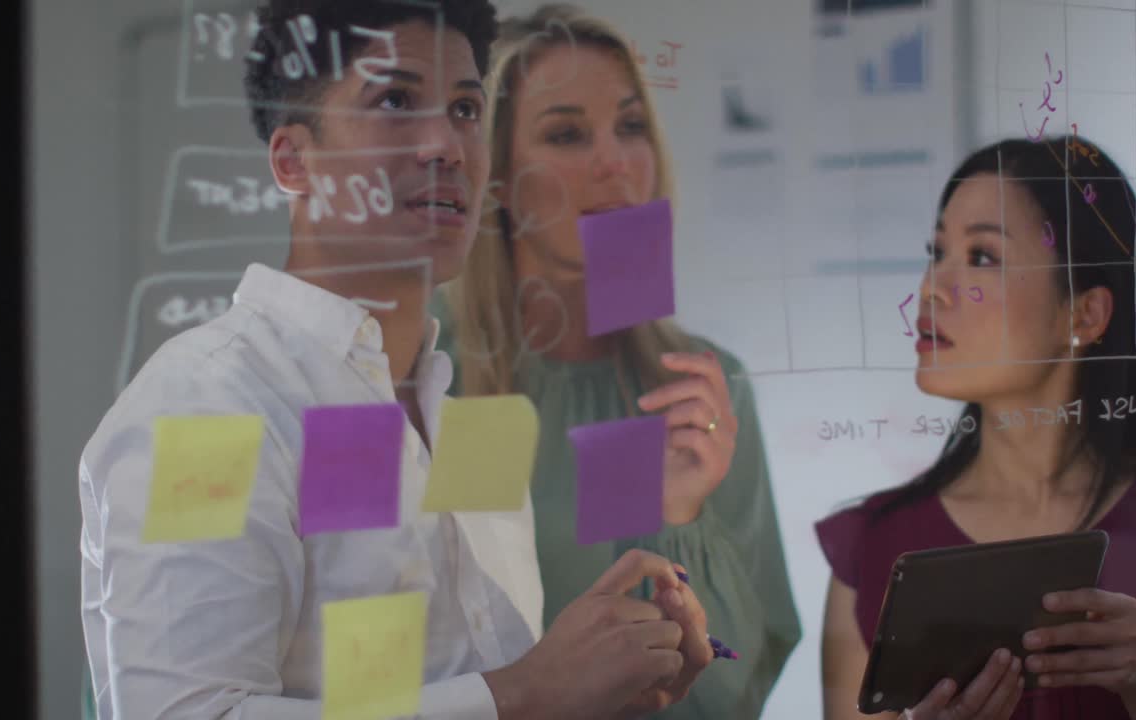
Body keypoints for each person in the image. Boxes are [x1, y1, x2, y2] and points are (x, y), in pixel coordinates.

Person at [77, 1, 715, 718]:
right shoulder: (209, 407)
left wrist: (600, 697)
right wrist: (525, 694)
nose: (445, 143)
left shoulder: (472, 423)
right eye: (395, 101)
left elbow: (470, 690)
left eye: (467, 109)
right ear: (294, 161)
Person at [430, 4, 801, 717]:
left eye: (631, 127)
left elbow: (733, 686)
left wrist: (681, 514)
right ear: (496, 176)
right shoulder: (423, 368)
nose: (615, 162)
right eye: (567, 134)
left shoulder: (692, 387)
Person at [814, 136, 1136, 720]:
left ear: (1085, 313)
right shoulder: (871, 547)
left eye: (982, 257)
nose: (931, 287)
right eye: (936, 251)